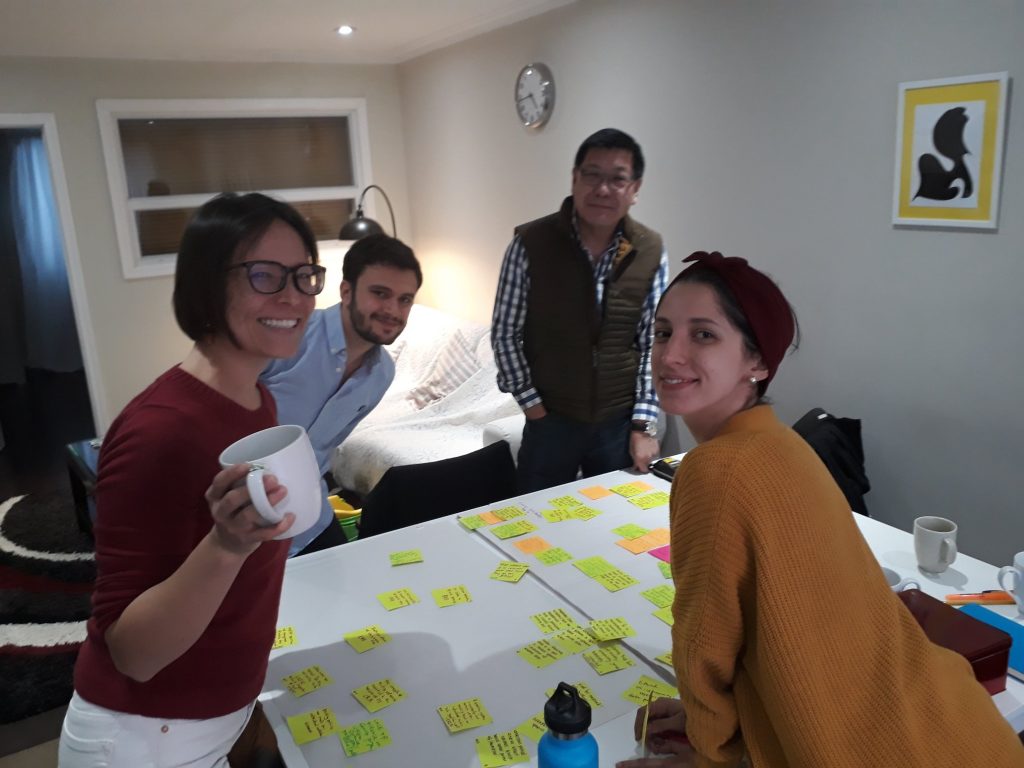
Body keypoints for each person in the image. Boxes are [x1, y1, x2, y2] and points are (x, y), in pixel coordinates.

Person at [617, 252, 1024, 768]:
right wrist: (735, 716)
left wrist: (709, 750)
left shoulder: (714, 470)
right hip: (950, 728)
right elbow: (780, 626)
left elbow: (704, 645)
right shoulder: (783, 444)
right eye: (662, 333)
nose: (671, 354)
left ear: (758, 362)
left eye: (703, 335)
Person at [59, 193, 324, 767]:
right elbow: (131, 654)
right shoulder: (159, 430)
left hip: (216, 715)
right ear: (208, 285)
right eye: (264, 275)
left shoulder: (258, 399)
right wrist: (226, 545)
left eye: (304, 275)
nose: (293, 297)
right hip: (144, 736)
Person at [492, 128, 669, 493]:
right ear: (574, 179)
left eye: (617, 179)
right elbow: (505, 334)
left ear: (635, 189)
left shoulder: (650, 250)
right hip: (551, 418)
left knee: (615, 516)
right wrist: (532, 406)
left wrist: (643, 424)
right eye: (592, 175)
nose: (602, 189)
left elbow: (652, 342)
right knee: (536, 515)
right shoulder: (530, 244)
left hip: (618, 422)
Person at [261, 233, 422, 556]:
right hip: (245, 510)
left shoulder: (382, 374)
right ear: (346, 291)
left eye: (405, 300)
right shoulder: (289, 336)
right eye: (380, 294)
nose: (393, 310)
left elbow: (324, 449)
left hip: (311, 513)